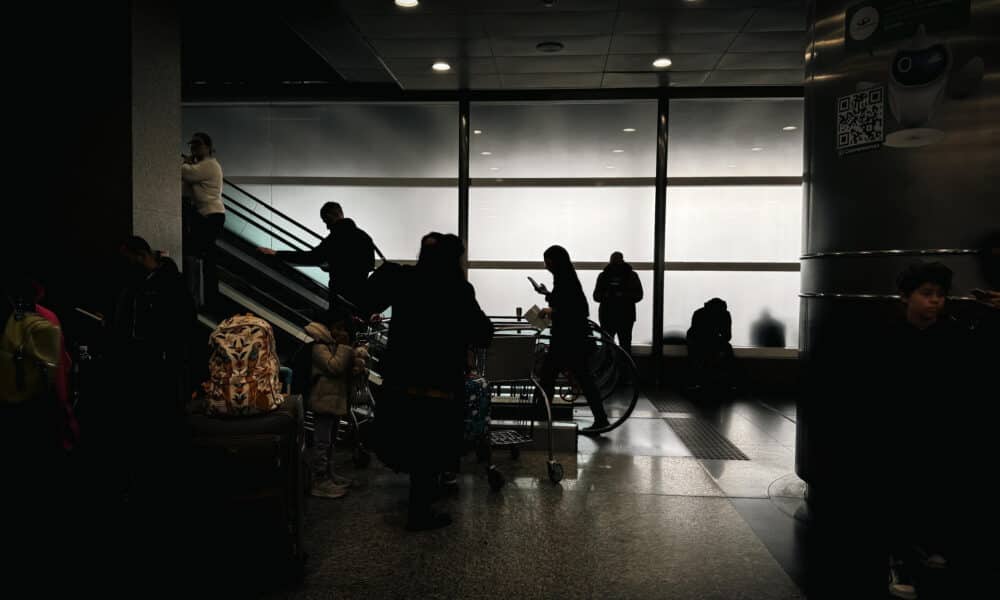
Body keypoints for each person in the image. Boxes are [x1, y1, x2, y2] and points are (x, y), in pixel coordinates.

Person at [368, 232, 493, 531]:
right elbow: (483, 333)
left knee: (413, 442)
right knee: (432, 444)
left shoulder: (404, 280)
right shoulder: (458, 289)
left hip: (402, 378)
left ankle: (421, 500)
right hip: (440, 382)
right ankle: (420, 513)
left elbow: (368, 297)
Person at [882, 262, 969, 599]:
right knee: (901, 493)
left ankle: (924, 547)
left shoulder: (953, 335)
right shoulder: (889, 337)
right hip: (902, 429)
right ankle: (900, 559)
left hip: (937, 429)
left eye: (940, 295)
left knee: (933, 489)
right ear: (906, 297)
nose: (935, 301)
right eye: (927, 294)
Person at [536, 245, 610, 434]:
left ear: (554, 261)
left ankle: (542, 418)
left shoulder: (564, 279)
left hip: (567, 340)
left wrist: (551, 310)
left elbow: (576, 309)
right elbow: (571, 303)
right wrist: (548, 296)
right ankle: (600, 418)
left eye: (548, 261)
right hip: (572, 339)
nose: (546, 266)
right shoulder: (566, 277)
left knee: (548, 377)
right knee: (581, 379)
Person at [259, 202, 376, 318]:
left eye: (326, 221)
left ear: (332, 215)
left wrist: (277, 253)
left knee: (337, 323)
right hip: (358, 293)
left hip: (339, 294)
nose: (327, 226)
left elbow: (311, 257)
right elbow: (370, 265)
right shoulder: (364, 237)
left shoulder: (335, 238)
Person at [304, 314, 368, 499]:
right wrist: (346, 348)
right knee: (321, 442)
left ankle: (330, 474)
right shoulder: (319, 347)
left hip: (336, 400)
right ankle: (319, 480)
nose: (340, 332)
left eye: (343, 329)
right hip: (323, 401)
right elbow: (335, 367)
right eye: (336, 328)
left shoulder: (336, 346)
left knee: (331, 441)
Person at [181, 132, 225, 308]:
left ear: (208, 147)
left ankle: (205, 298)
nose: (194, 148)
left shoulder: (209, 165)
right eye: (192, 145)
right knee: (205, 256)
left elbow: (187, 173)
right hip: (208, 215)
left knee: (198, 254)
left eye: (198, 145)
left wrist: (185, 161)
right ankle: (207, 296)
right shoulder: (201, 165)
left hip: (211, 214)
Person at [593, 251, 643, 358]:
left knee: (607, 347)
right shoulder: (631, 275)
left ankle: (608, 372)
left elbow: (596, 296)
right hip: (626, 315)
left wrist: (608, 295)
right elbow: (638, 295)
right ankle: (625, 372)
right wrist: (624, 296)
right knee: (625, 347)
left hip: (607, 315)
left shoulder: (604, 276)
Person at [686, 298, 736, 394]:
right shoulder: (724, 314)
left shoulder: (700, 313)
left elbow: (727, 336)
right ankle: (727, 382)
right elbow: (727, 335)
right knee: (722, 352)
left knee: (708, 353)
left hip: (703, 340)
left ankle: (700, 382)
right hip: (699, 340)